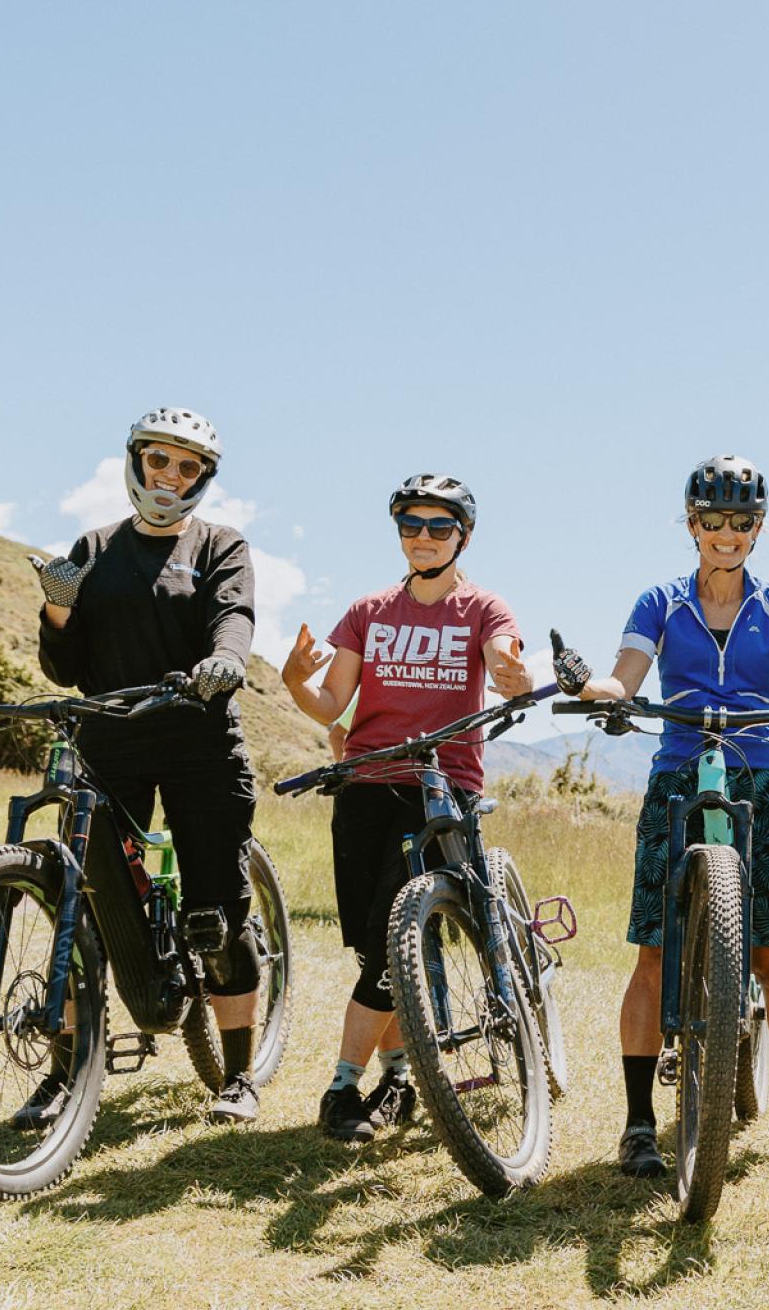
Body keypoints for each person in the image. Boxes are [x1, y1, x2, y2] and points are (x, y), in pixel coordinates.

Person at [571, 455, 769, 1176]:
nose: (725, 534)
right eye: (711, 520)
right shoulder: (659, 603)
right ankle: (639, 1126)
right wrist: (592, 687)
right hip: (677, 772)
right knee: (653, 955)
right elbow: (626, 674)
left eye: (741, 522)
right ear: (692, 524)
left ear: (757, 529)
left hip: (757, 773)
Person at [29, 407, 268, 1125]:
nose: (170, 477)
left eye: (186, 467)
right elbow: (64, 668)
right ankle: (64, 1076)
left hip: (199, 737)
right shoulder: (95, 547)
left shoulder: (220, 544)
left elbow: (235, 614)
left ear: (203, 479)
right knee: (87, 911)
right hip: (112, 739)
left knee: (213, 912)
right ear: (135, 463)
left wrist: (225, 659)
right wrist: (58, 608)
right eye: (158, 461)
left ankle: (237, 1075)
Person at [281, 475, 529, 1144]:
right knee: (375, 946)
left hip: (439, 788)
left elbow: (507, 663)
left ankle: (340, 1089)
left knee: (395, 939)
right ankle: (398, 1079)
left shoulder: (482, 608)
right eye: (410, 525)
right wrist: (293, 680)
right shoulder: (368, 611)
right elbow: (331, 705)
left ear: (463, 536)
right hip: (364, 785)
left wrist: (510, 674)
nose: (423, 537)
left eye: (438, 527)